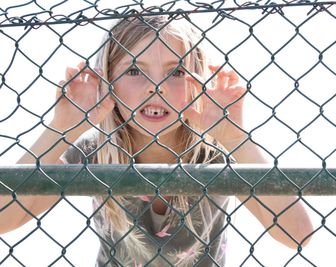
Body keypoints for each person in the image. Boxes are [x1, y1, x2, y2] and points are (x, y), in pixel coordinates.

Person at [2, 15, 313, 266]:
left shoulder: (214, 155)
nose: (156, 87)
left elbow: (297, 234)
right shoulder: (93, 152)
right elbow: (4, 218)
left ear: (198, 82)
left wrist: (234, 136)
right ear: (107, 80)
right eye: (135, 70)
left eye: (176, 72)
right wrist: (62, 127)